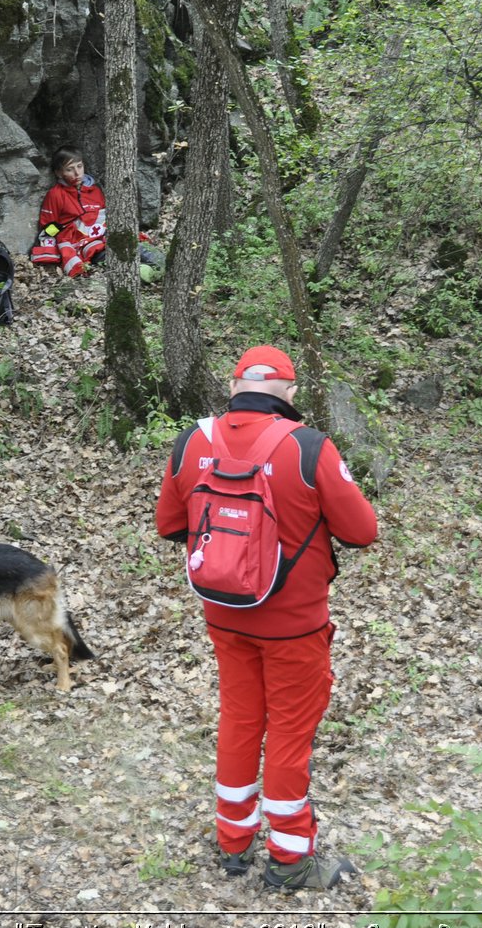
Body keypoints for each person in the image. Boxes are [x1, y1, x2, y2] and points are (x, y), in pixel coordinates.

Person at [154, 345, 378, 890]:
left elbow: (169, 523)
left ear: (234, 387)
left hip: (224, 615)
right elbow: (362, 531)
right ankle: (290, 857)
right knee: (289, 734)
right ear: (290, 393)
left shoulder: (193, 440)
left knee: (239, 718)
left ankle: (233, 841)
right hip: (295, 624)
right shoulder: (308, 447)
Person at [33, 146, 108, 278]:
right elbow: (47, 227)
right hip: (80, 245)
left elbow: (104, 217)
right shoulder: (55, 195)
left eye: (79, 166)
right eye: (69, 169)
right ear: (59, 173)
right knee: (111, 258)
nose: (77, 173)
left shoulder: (95, 191)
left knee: (138, 250)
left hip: (103, 237)